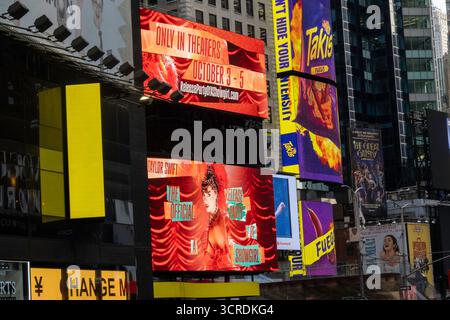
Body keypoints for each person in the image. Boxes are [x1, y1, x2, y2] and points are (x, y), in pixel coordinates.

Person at [200, 166, 234, 271]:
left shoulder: (226, 220)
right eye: (203, 194)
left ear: (216, 194)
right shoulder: (204, 222)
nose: (205, 199)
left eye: (209, 194)